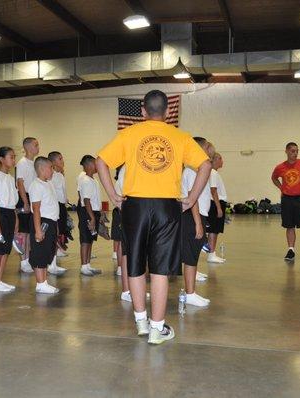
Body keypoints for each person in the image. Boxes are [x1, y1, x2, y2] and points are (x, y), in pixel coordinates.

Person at [96, 89, 211, 345]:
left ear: (143, 112)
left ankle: (141, 322)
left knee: (135, 263)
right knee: (160, 268)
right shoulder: (180, 137)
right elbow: (206, 165)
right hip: (166, 207)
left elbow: (101, 162)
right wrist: (191, 198)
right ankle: (157, 329)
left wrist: (114, 196)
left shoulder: (128, 134)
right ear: (168, 112)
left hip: (134, 206)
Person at [180, 137, 213, 307]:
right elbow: (192, 197)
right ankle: (190, 293)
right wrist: (198, 223)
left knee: (193, 255)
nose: (210, 150)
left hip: (199, 215)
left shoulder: (199, 169)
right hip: (193, 216)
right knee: (191, 256)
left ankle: (191, 291)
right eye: (207, 147)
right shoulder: (193, 170)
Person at [0, 147, 19, 292]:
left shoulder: (10, 178)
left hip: (10, 214)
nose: (13, 160)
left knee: (6, 249)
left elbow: (12, 202)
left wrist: (16, 219)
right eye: (11, 157)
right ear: (1, 159)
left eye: (14, 157)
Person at [29, 157, 61, 294]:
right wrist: (38, 230)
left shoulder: (49, 183)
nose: (52, 171)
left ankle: (44, 281)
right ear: (42, 169)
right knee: (39, 252)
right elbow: (36, 209)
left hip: (51, 222)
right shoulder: (36, 185)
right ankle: (40, 283)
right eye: (50, 168)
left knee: (47, 252)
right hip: (42, 222)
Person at [16, 137, 39, 273]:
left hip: (34, 198)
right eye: (36, 145)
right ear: (28, 147)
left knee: (30, 232)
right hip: (25, 197)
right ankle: (23, 262)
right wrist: (25, 202)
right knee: (24, 233)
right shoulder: (22, 163)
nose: (38, 147)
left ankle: (28, 258)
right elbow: (20, 183)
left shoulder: (34, 163)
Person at [77, 155, 102, 276]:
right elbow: (86, 200)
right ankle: (83, 266)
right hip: (87, 212)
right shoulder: (86, 180)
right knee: (85, 240)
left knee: (91, 239)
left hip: (94, 211)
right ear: (88, 165)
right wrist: (91, 217)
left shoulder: (94, 180)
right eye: (95, 163)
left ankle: (88, 265)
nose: (97, 166)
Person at [111, 164, 131, 301]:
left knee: (132, 253)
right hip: (125, 213)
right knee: (125, 249)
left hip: (133, 213)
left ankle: (132, 289)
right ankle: (126, 291)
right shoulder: (126, 170)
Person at [47, 151, 67, 274]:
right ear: (53, 162)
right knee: (53, 235)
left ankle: (53, 263)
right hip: (55, 207)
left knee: (59, 234)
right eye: (60, 159)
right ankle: (50, 263)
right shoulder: (50, 176)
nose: (62, 161)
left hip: (62, 206)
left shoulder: (60, 175)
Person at [207, 152, 227, 263]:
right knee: (213, 230)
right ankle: (211, 254)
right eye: (220, 158)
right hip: (215, 204)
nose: (222, 160)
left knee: (215, 230)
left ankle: (212, 253)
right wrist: (219, 208)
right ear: (214, 160)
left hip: (217, 203)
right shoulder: (213, 173)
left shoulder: (214, 173)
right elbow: (213, 190)